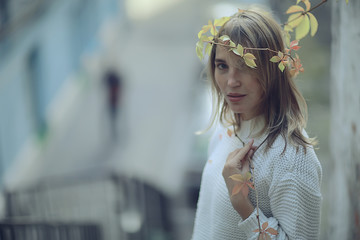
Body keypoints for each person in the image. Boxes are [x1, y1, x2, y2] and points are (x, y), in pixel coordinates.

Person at [192, 7, 322, 240]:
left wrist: (242, 204)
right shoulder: (226, 130)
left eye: (245, 66)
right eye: (222, 66)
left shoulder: (292, 158)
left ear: (272, 69)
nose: (231, 81)